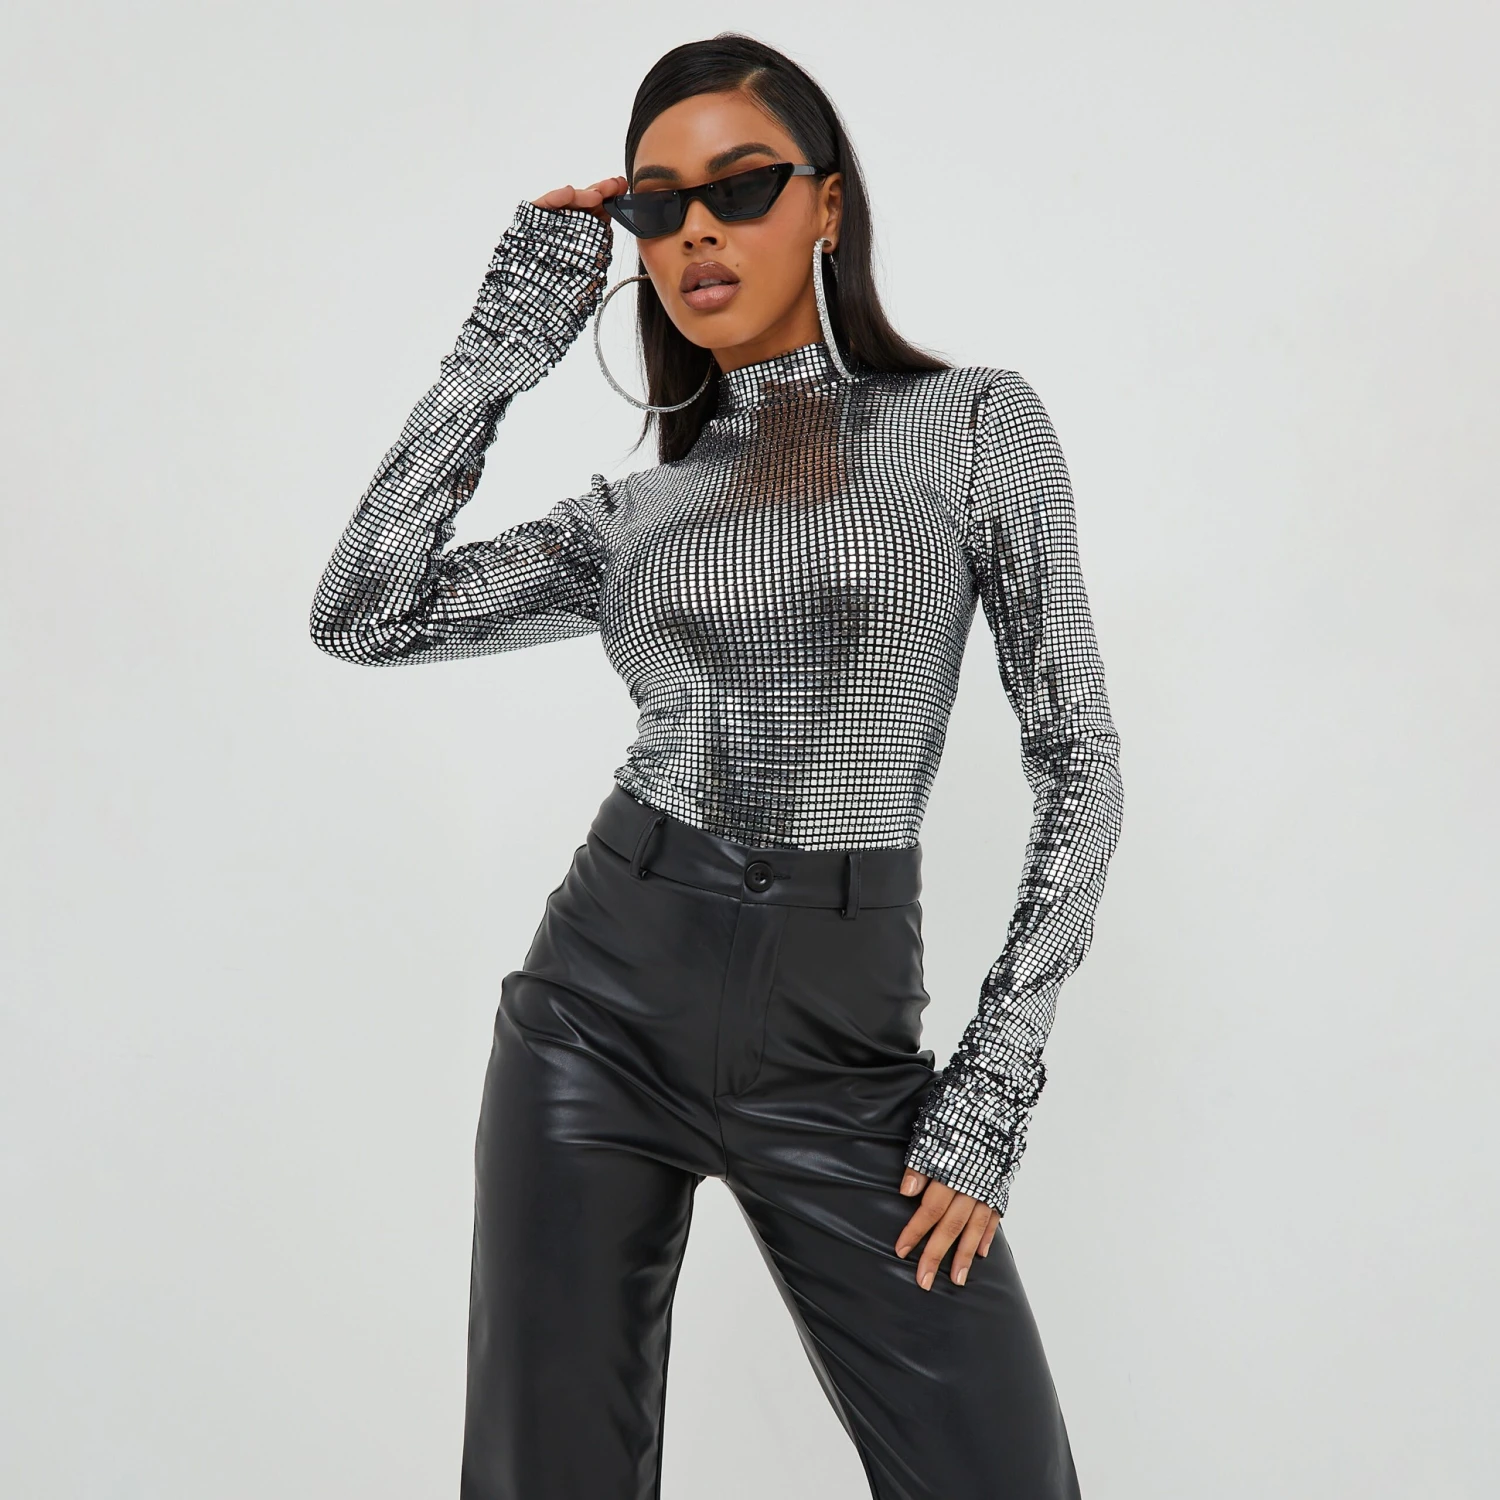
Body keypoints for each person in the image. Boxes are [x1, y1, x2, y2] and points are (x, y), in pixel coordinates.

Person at [308, 30, 1124, 1500]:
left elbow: (1079, 762)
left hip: (844, 1050)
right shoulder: (638, 518)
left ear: (827, 204)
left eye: (741, 188)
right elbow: (364, 612)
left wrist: (992, 1087)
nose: (696, 230)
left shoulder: (974, 429)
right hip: (599, 1014)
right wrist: (503, 343)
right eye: (657, 204)